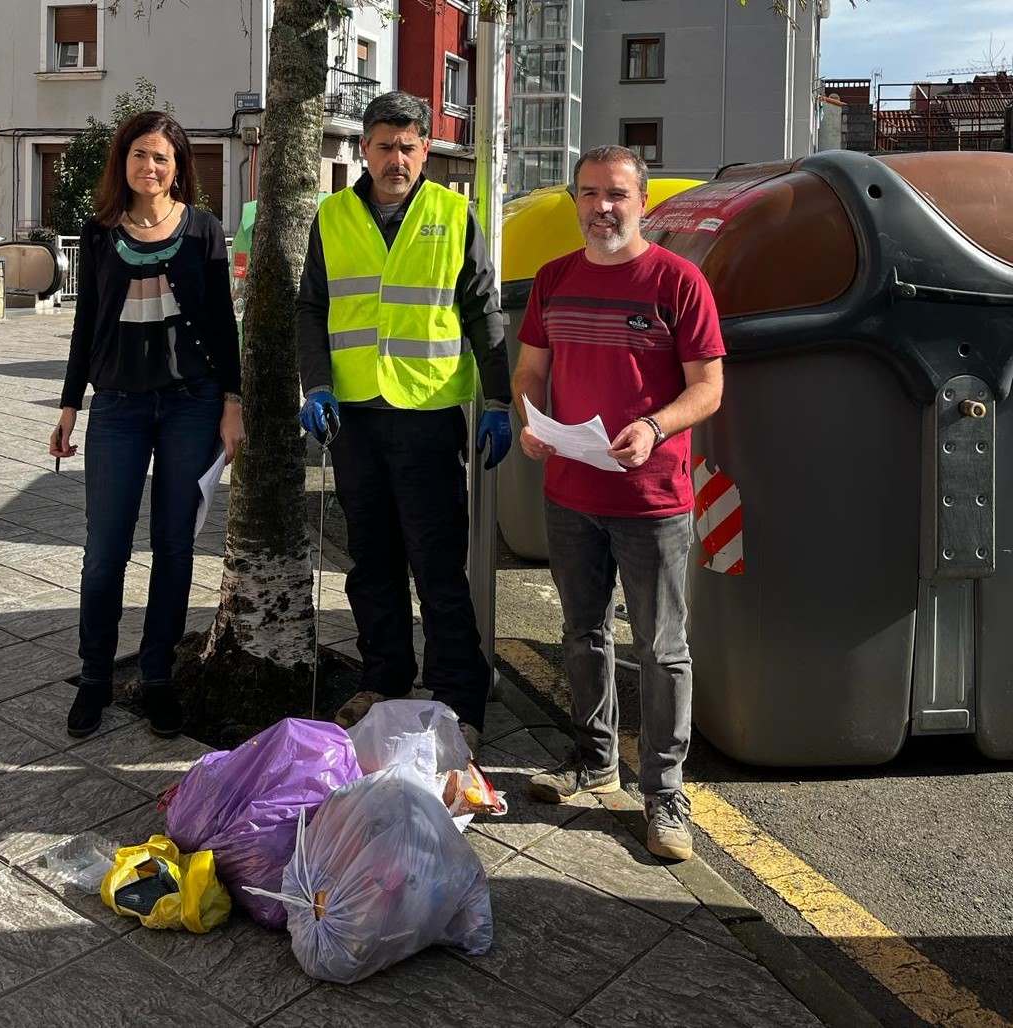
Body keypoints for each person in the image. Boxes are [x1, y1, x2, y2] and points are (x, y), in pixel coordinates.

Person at [514, 145, 724, 861]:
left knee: (662, 649)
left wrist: (656, 427)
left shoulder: (679, 281)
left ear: (642, 203)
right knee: (583, 633)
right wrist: (531, 419)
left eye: (616, 195)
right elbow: (530, 370)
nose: (601, 207)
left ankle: (664, 793)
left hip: (652, 497)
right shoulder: (553, 279)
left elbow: (708, 388)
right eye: (589, 193)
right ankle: (594, 761)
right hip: (571, 492)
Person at [296, 91, 512, 755]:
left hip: (428, 416)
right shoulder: (332, 216)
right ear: (364, 148)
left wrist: (499, 401)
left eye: (409, 147)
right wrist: (317, 384)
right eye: (385, 146)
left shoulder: (453, 214)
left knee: (437, 566)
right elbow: (312, 308)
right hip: (356, 418)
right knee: (372, 563)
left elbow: (482, 310)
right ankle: (384, 680)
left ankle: (459, 697)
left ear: (425, 151)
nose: (397, 159)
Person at [52, 110, 244, 740]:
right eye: (140, 154)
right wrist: (69, 404)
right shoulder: (100, 231)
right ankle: (94, 677)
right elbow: (86, 324)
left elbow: (221, 322)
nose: (150, 166)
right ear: (124, 161)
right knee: (104, 549)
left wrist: (233, 401)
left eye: (162, 156)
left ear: (178, 165)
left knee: (174, 545)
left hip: (191, 404)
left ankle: (158, 676)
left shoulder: (203, 229)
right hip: (118, 408)